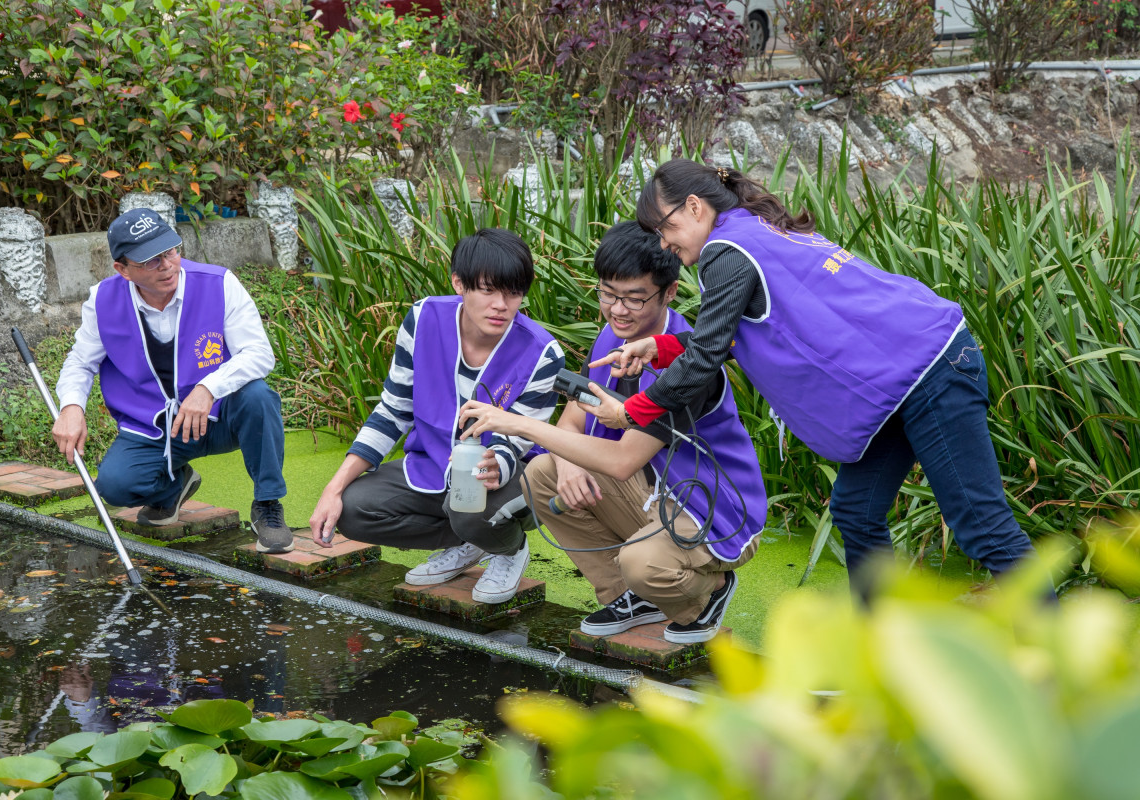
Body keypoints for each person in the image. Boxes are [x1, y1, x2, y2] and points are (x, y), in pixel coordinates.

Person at [589, 159, 1037, 596]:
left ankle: (1060, 661)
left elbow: (705, 357)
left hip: (928, 371)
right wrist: (661, 347)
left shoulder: (725, 252)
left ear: (693, 207)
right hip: (900, 381)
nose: (663, 244)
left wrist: (631, 411)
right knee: (857, 513)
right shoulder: (754, 227)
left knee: (981, 524)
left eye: (662, 228)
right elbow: (736, 336)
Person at [459, 222, 766, 643]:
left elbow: (623, 462)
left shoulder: (686, 363)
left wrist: (515, 422)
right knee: (544, 473)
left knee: (644, 563)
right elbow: (572, 419)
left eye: (635, 298)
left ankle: (705, 593)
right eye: (608, 294)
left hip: (712, 508)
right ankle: (633, 597)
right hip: (655, 492)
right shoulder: (611, 336)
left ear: (670, 292)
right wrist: (566, 465)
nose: (618, 310)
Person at [308, 228, 563, 604]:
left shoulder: (543, 353)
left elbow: (522, 440)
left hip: (511, 479)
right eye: (488, 290)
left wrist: (497, 467)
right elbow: (393, 410)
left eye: (513, 293)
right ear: (459, 283)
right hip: (431, 468)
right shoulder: (424, 317)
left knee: (471, 504)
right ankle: (471, 542)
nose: (501, 305)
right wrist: (332, 488)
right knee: (353, 509)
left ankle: (508, 548)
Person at [53, 207, 293, 554]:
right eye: (150, 260)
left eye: (170, 250)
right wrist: (72, 407)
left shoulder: (219, 283)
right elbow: (80, 361)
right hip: (157, 428)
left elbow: (258, 353)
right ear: (122, 269)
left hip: (221, 418)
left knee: (258, 396)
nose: (167, 264)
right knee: (116, 485)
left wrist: (208, 388)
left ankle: (268, 505)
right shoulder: (102, 301)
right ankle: (174, 486)